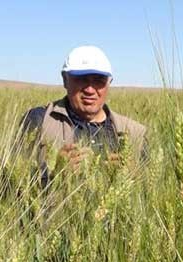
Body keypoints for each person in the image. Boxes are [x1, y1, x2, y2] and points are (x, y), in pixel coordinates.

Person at [19, 45, 147, 186]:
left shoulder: (136, 133)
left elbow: (150, 192)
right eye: (81, 79)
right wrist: (56, 174)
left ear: (109, 83)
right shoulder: (39, 120)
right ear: (65, 80)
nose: (90, 89)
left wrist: (135, 175)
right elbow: (11, 184)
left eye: (99, 80)